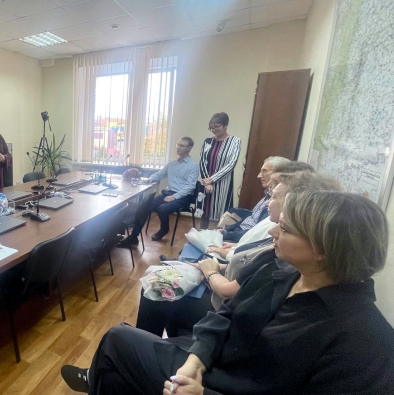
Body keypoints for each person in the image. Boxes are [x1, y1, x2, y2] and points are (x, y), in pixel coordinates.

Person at [61, 190, 394, 395]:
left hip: (219, 387)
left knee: (117, 345)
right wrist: (196, 360)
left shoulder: (366, 344)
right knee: (118, 358)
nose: (273, 231)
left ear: (322, 249)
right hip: (210, 365)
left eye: (286, 228)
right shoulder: (283, 271)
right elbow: (225, 315)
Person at [136, 172, 340, 337]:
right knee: (164, 280)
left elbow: (230, 297)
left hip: (222, 305)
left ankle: (150, 347)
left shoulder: (281, 258)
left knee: (156, 288)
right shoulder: (284, 255)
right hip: (224, 292)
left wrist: (210, 271)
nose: (268, 201)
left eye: (274, 196)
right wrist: (215, 267)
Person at [118, 137, 199, 245]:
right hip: (168, 193)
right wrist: (150, 179)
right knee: (144, 206)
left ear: (189, 148)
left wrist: (174, 197)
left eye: (182, 146)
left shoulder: (193, 166)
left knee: (162, 209)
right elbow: (160, 174)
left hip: (183, 197)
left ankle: (164, 229)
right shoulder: (172, 163)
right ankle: (133, 237)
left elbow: (190, 186)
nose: (178, 147)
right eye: (178, 145)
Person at [221, 156, 290, 242]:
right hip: (240, 232)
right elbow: (251, 220)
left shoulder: (276, 206)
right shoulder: (267, 194)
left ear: (279, 173)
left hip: (243, 239)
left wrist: (227, 235)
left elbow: (256, 234)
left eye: (264, 171)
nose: (259, 176)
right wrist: (230, 229)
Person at [198, 113, 241, 222]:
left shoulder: (235, 141)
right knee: (204, 211)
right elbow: (203, 161)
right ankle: (202, 232)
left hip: (223, 184)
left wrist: (212, 179)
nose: (213, 130)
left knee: (222, 213)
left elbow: (231, 164)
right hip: (206, 183)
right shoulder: (208, 141)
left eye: (216, 126)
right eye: (211, 127)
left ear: (225, 126)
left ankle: (219, 232)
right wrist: (207, 181)